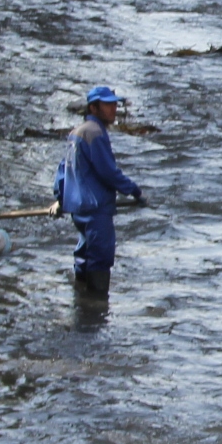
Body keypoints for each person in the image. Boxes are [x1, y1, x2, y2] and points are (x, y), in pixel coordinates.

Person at [55, 85, 143, 295]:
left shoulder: (77, 132)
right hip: (95, 208)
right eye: (107, 105)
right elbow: (108, 172)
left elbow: (62, 170)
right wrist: (134, 191)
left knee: (84, 254)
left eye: (114, 104)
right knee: (101, 257)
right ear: (93, 108)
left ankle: (81, 301)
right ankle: (96, 307)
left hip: (78, 208)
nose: (113, 109)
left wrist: (60, 197)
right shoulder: (94, 133)